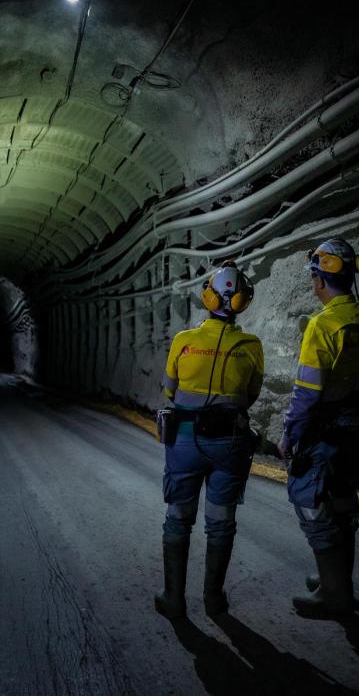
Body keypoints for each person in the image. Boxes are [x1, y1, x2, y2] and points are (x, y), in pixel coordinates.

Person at [276, 237, 359, 618]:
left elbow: (306, 393)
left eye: (314, 277)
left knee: (312, 505)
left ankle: (334, 595)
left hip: (326, 430)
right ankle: (337, 581)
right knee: (343, 502)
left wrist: (290, 435)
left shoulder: (323, 325)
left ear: (320, 280)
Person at [155, 260, 265, 620]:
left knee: (178, 517)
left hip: (185, 439)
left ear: (207, 297)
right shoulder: (251, 345)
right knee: (220, 521)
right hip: (230, 442)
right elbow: (250, 396)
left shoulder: (184, 340)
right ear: (242, 302)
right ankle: (214, 601)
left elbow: (169, 391)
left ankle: (174, 599)